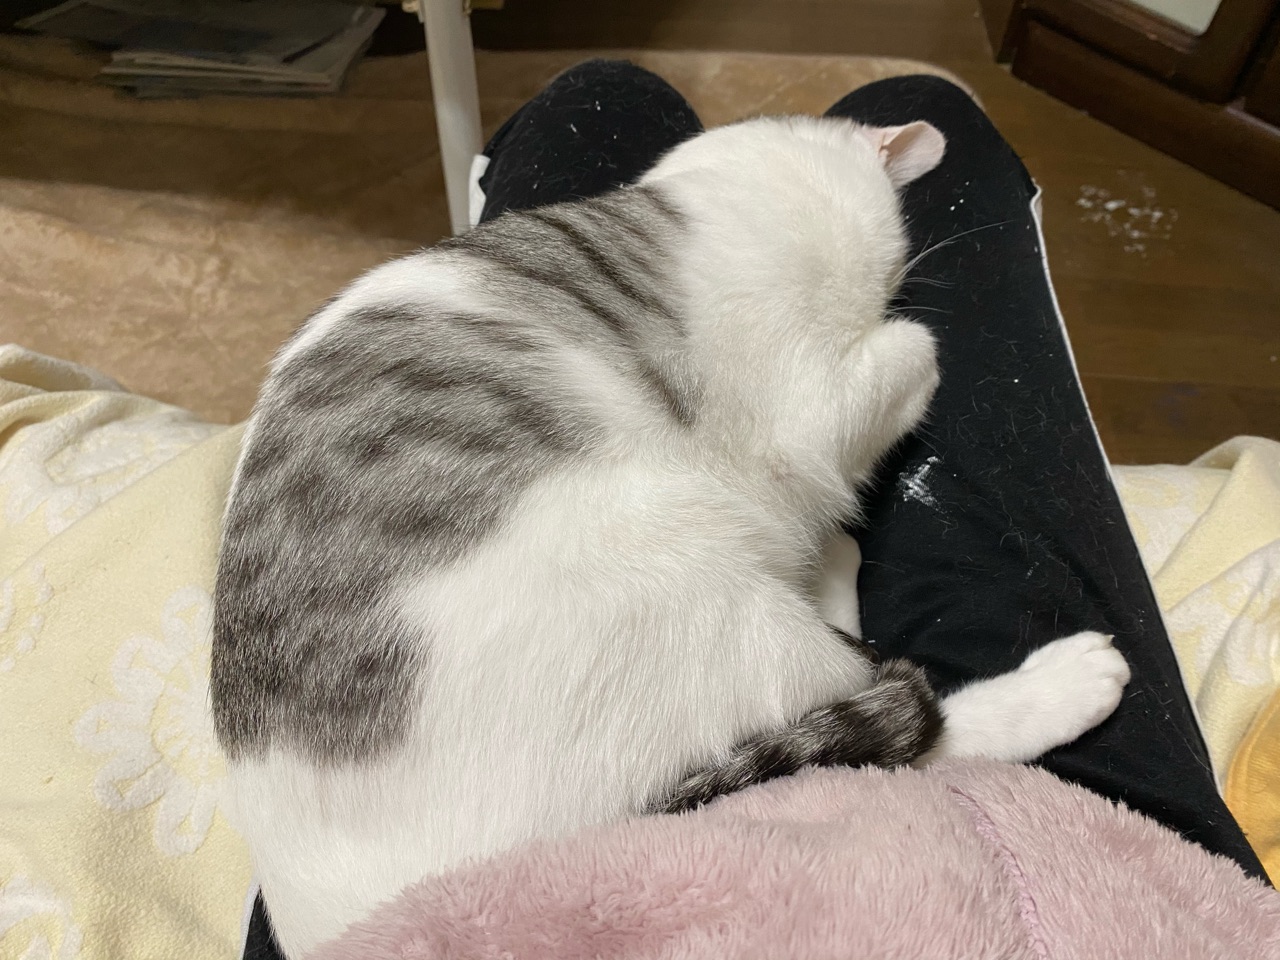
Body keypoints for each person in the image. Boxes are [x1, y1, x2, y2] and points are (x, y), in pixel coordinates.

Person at [243, 58, 1264, 960]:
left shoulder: (640, 238)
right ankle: (938, 743)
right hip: (491, 804)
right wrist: (906, 349)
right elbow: (803, 453)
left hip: (359, 871)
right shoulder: (774, 234)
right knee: (917, 142)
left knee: (597, 100)